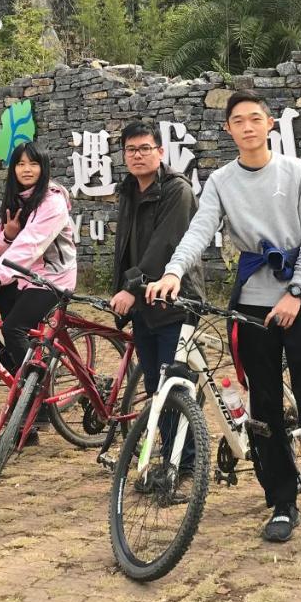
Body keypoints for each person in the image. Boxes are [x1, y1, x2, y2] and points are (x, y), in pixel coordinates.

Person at [146, 90, 301, 558]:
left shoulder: (296, 172)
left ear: (270, 124)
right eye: (238, 120)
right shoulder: (221, 181)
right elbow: (199, 230)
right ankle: (280, 501)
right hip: (252, 309)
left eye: (255, 118)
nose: (247, 126)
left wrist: (296, 292)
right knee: (264, 410)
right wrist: (174, 271)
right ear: (229, 129)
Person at [108, 122, 203, 478]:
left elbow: (165, 244)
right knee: (154, 387)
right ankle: (169, 456)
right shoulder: (129, 190)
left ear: (160, 152)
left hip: (176, 302)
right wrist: (125, 289)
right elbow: (126, 249)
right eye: (131, 149)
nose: (137, 155)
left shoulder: (176, 190)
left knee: (175, 387)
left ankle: (187, 463)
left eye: (145, 148)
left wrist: (129, 290)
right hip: (145, 306)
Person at [0, 143, 77, 381]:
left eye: (33, 163)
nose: (26, 169)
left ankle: (34, 399)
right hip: (23, 274)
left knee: (13, 328)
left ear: (44, 167)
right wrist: (9, 234)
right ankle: (17, 369)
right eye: (20, 164)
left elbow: (31, 244)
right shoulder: (15, 199)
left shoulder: (53, 201)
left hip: (53, 277)